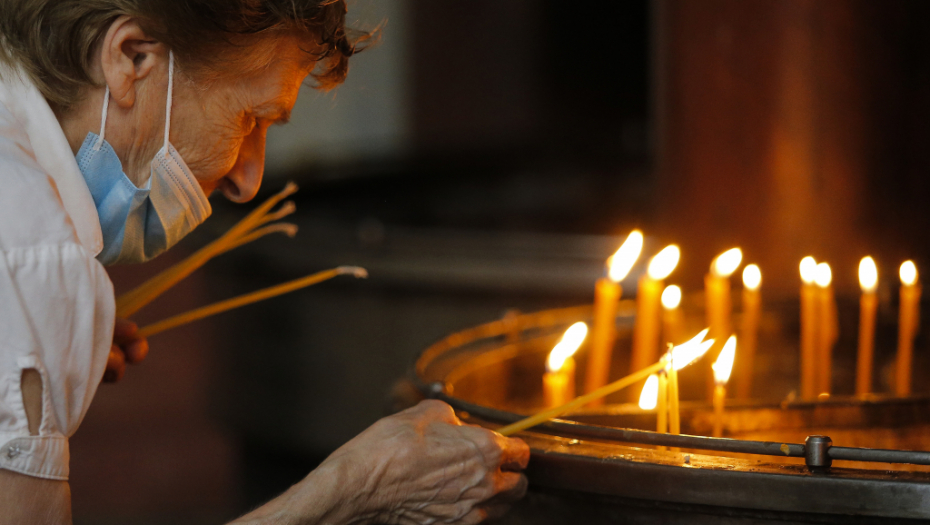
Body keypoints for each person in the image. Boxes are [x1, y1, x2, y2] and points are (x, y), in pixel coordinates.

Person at [0, 1, 529, 523]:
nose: (247, 180)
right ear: (131, 58)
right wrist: (354, 490)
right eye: (250, 118)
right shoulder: (35, 253)